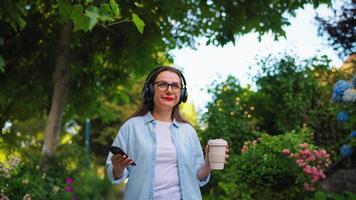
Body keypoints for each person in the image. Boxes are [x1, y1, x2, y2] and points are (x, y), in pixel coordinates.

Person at [105, 66, 229, 200]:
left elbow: (196, 178)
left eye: (175, 86)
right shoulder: (132, 127)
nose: (169, 90)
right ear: (150, 90)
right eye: (163, 84)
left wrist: (208, 165)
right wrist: (118, 167)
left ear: (182, 93)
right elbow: (114, 175)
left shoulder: (188, 131)